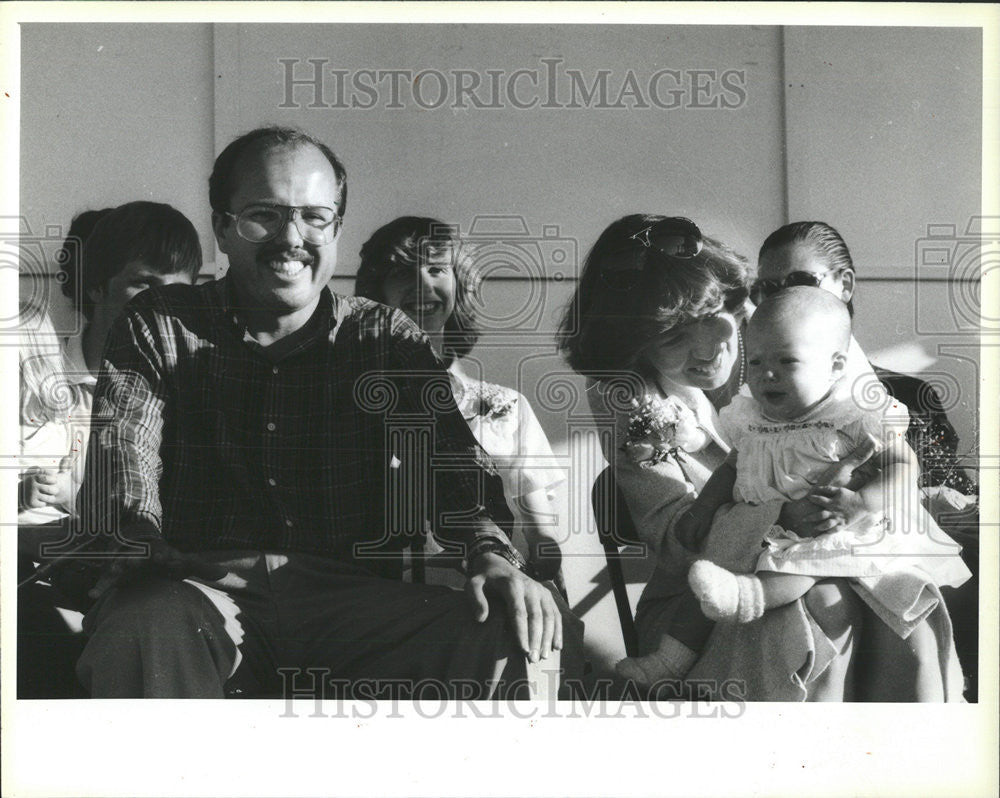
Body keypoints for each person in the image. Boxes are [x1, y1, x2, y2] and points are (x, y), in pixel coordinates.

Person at [73, 126, 577, 699]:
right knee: (145, 628)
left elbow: (452, 463)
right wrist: (135, 536)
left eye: (315, 217)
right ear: (221, 227)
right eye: (263, 214)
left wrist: (490, 554)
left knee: (515, 630)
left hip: (354, 604)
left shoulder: (382, 334)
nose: (293, 238)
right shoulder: (160, 321)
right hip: (197, 589)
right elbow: (124, 455)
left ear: (336, 227)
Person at [559, 214, 963, 701]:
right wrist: (779, 519)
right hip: (703, 604)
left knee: (899, 608)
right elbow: (675, 540)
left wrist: (847, 509)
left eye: (713, 321)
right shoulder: (626, 394)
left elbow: (877, 458)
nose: (706, 351)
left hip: (849, 549)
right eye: (672, 339)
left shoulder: (794, 328)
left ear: (735, 301)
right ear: (635, 350)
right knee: (825, 606)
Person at [751, 219, 980, 697]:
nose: (779, 296)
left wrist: (878, 497)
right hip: (794, 564)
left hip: (892, 548)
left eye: (799, 281)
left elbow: (949, 493)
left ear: (845, 284)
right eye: (766, 287)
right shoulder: (756, 396)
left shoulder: (900, 396)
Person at [355, 217, 568, 593]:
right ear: (378, 292)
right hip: (391, 593)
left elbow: (541, 534)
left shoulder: (506, 407)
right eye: (403, 272)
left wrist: (540, 556)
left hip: (494, 586)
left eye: (437, 268)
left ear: (460, 285)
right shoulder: (357, 402)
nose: (423, 284)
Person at [59, 201, 202, 378]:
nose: (165, 304)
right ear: (95, 286)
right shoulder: (33, 378)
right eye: (144, 282)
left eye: (178, 289)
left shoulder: (200, 385)